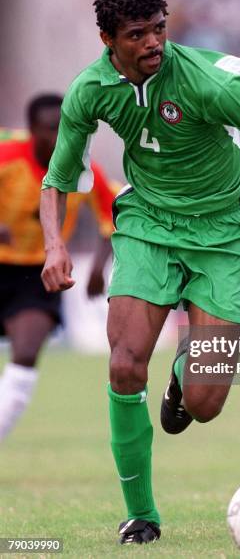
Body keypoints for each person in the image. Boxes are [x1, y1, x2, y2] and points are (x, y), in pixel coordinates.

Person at [40, 0, 240, 545]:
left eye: (159, 29)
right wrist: (54, 244)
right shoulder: (90, 90)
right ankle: (141, 515)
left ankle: (184, 379)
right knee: (122, 365)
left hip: (221, 234)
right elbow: (58, 179)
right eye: (136, 34)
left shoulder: (206, 82)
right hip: (147, 228)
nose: (153, 43)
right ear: (107, 40)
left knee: (204, 404)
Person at [0, 94, 115, 443]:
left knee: (25, 356)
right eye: (52, 129)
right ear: (33, 130)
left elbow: (113, 215)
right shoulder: (7, 157)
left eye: (66, 128)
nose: (61, 137)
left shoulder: (83, 170)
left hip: (37, 278)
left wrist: (98, 268)